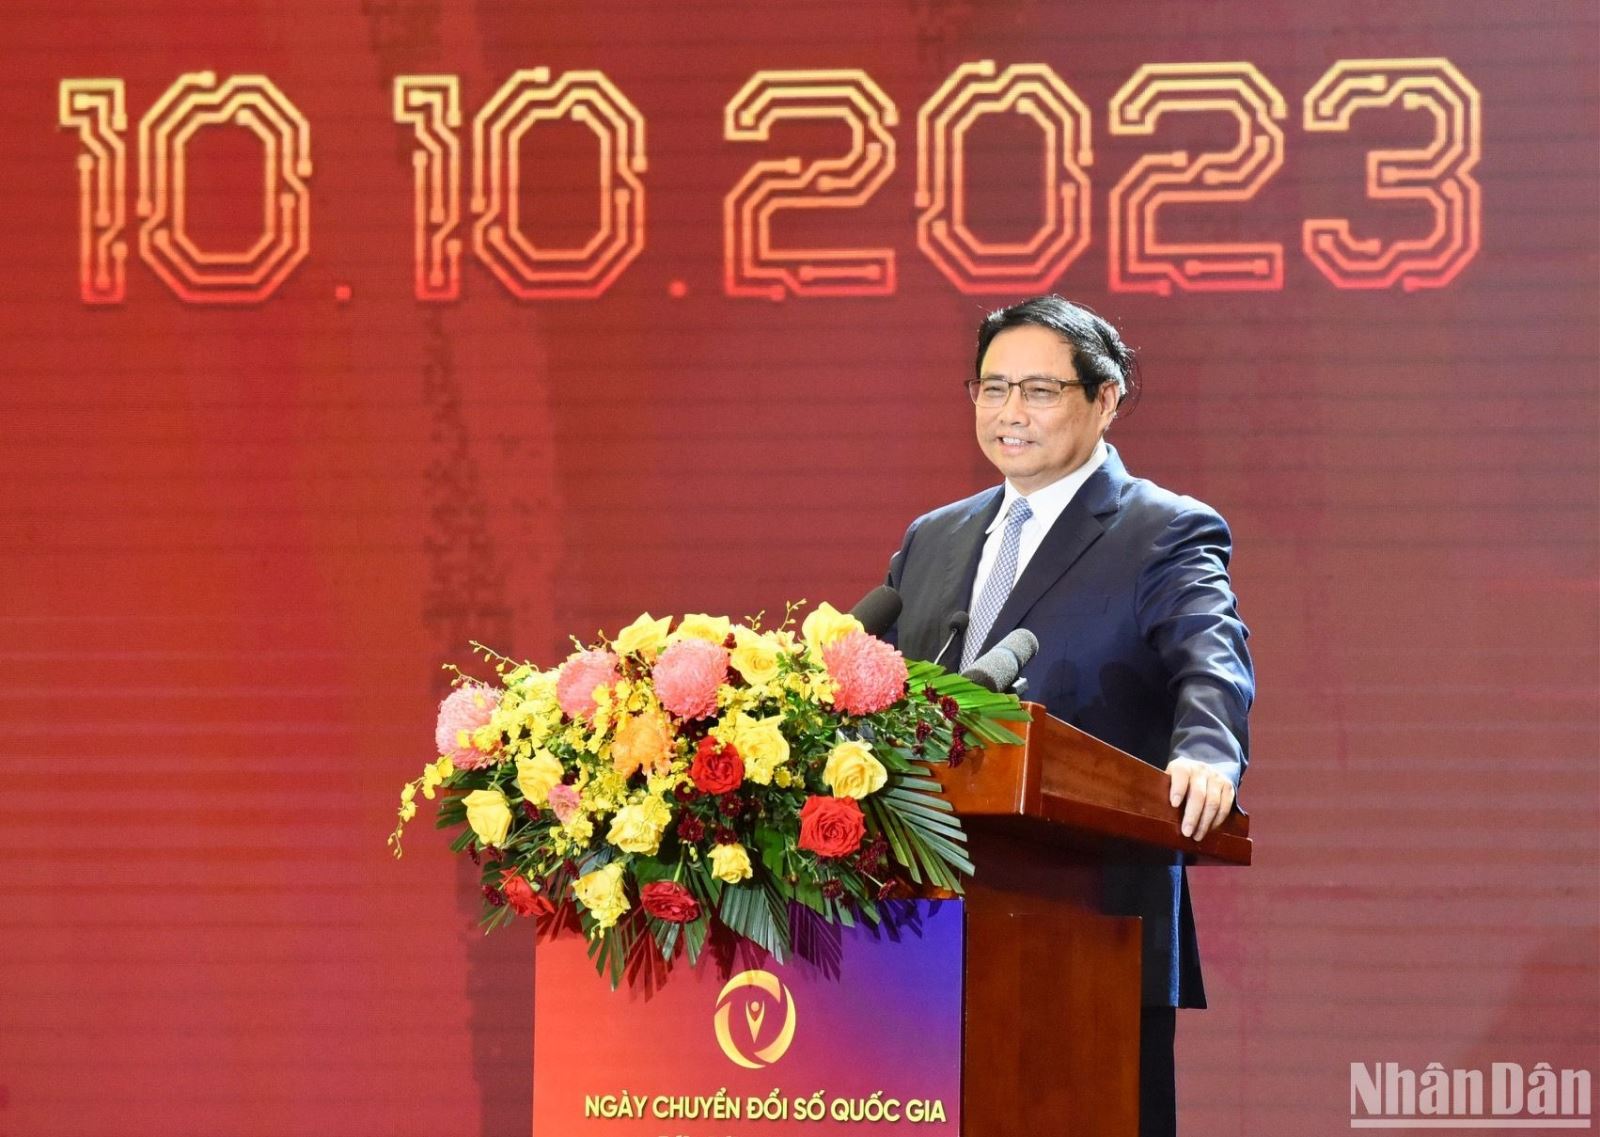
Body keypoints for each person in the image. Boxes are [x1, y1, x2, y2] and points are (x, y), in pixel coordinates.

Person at [884, 295, 1253, 1137]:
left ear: (1105, 397)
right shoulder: (932, 538)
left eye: (1039, 391)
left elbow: (1211, 655)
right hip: (922, 935)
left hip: (1093, 924)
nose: (1009, 412)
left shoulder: (1164, 529)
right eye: (992, 388)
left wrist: (1208, 749)